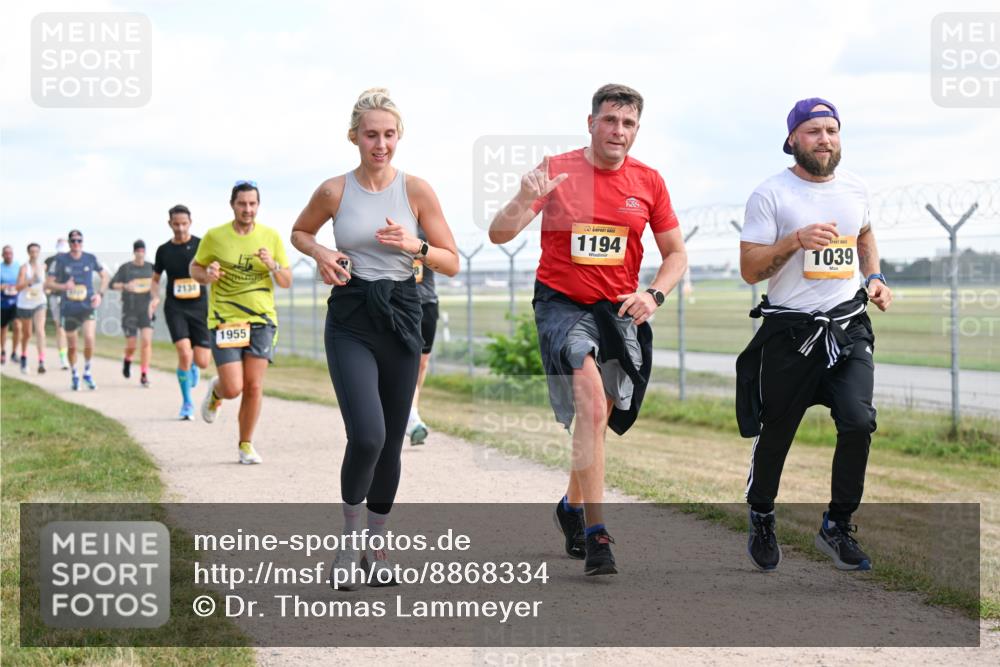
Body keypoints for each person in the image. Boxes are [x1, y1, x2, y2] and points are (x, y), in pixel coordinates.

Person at [488, 84, 687, 576]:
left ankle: (571, 506)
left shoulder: (650, 182)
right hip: (562, 302)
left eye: (628, 124)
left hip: (618, 308)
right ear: (591, 122)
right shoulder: (555, 170)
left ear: (636, 129)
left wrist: (654, 294)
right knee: (592, 402)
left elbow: (676, 254)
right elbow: (500, 232)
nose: (618, 131)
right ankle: (599, 534)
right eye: (610, 121)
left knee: (605, 413)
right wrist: (522, 197)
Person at [290, 88, 459, 588]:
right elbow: (301, 232)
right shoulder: (334, 191)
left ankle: (376, 546)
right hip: (352, 315)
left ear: (398, 136)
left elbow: (449, 261)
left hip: (403, 315)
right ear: (354, 137)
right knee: (368, 436)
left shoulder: (417, 191)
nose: (380, 144)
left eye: (388, 134)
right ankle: (347, 543)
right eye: (371, 135)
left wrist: (415, 245)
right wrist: (323, 255)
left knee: (391, 447)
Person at [736, 98, 892, 572]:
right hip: (790, 334)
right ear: (792, 140)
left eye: (831, 130)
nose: (824, 139)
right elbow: (749, 270)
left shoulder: (856, 187)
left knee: (858, 420)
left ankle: (837, 524)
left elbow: (863, 234)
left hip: (847, 327)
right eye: (813, 131)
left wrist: (874, 277)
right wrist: (793, 241)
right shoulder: (771, 195)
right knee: (778, 433)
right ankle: (762, 513)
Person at [191, 181, 292, 464]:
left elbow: (285, 281)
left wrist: (272, 264)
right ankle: (217, 390)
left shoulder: (270, 236)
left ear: (258, 205)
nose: (247, 209)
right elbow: (195, 268)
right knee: (234, 387)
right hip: (225, 320)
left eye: (252, 204)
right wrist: (206, 274)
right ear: (232, 205)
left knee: (254, 386)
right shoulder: (215, 236)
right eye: (242, 204)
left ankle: (245, 445)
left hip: (262, 320)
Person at [152, 204, 211, 420]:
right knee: (184, 353)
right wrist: (155, 297)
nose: (180, 228)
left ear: (190, 223)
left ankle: (195, 364)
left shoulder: (201, 245)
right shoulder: (163, 250)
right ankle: (187, 403)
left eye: (184, 224)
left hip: (199, 306)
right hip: (175, 307)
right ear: (170, 224)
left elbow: (213, 267)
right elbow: (155, 279)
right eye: (176, 224)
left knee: (203, 361)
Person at [45, 230, 109, 390]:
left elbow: (105, 276)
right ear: (69, 242)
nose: (76, 243)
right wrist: (63, 286)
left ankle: (87, 371)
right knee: (72, 345)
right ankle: (74, 374)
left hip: (87, 306)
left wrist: (99, 294)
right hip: (69, 307)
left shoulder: (90, 258)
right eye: (73, 241)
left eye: (79, 240)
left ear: (83, 242)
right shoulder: (60, 260)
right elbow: (48, 284)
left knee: (89, 338)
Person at [406, 229, 438, 445]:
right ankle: (412, 418)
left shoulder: (427, 229)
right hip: (404, 303)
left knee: (422, 362)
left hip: (429, 303)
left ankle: (411, 411)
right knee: (409, 362)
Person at [111, 240, 156, 387]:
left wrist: (155, 300)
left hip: (146, 310)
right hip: (130, 310)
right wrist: (125, 286)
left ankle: (144, 374)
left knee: (146, 342)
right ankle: (127, 360)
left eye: (142, 251)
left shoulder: (151, 268)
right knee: (132, 345)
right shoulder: (126, 268)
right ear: (134, 252)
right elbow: (112, 284)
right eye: (138, 251)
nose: (140, 253)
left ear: (145, 252)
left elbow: (157, 287)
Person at [14, 243, 48, 374]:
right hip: (25, 304)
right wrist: (30, 281)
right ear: (28, 253)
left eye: (36, 251)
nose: (34, 254)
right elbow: (18, 287)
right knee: (27, 333)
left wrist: (48, 288)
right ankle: (23, 356)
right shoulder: (24, 268)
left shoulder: (43, 267)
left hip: (40, 302)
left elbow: (46, 284)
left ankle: (41, 361)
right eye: (32, 251)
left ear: (39, 253)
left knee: (40, 330)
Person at [45, 238, 71, 370]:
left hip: (71, 298)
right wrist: (48, 288)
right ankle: (63, 358)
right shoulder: (50, 261)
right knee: (60, 328)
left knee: (70, 329)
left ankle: (71, 355)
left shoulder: (73, 260)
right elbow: (45, 279)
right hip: (56, 297)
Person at [1, 245, 21, 365]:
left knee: (17, 326)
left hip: (16, 301)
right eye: (6, 253)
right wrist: (2, 287)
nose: (8, 255)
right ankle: (2, 351)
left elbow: (23, 282)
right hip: (2, 302)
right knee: (3, 329)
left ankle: (14, 352)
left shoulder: (18, 267)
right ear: (2, 255)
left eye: (10, 253)